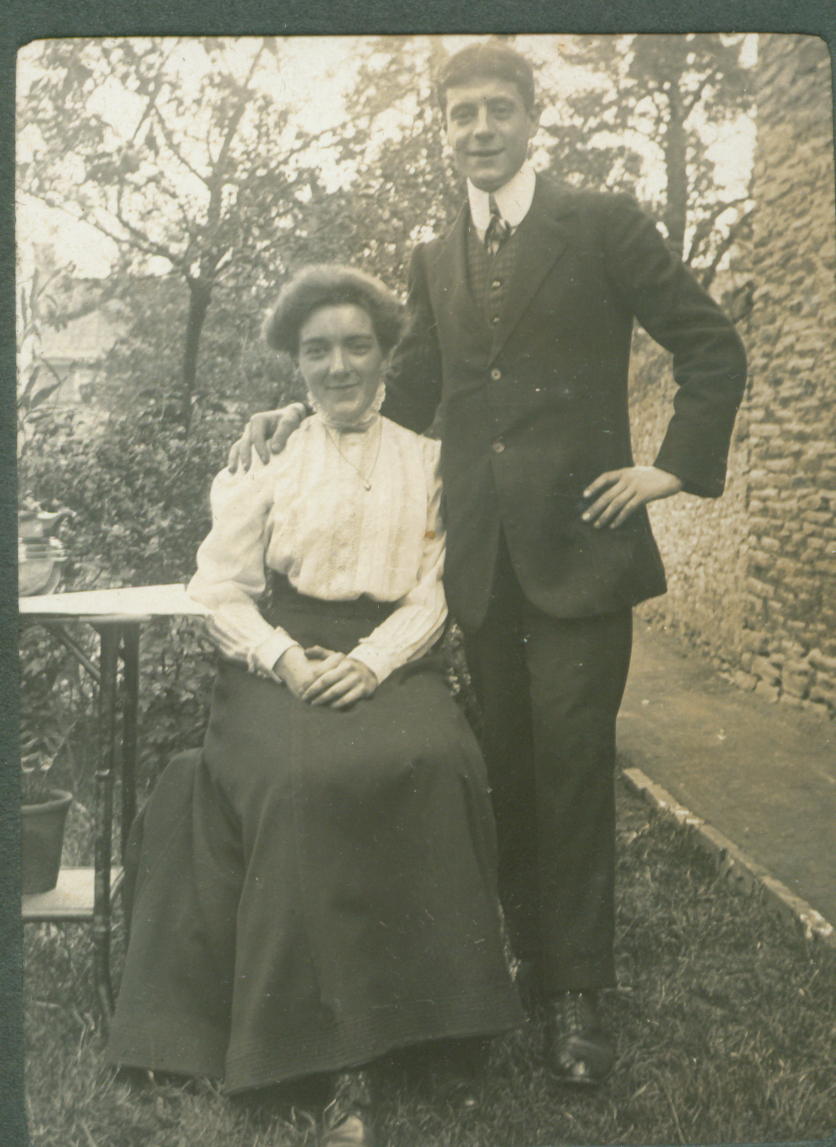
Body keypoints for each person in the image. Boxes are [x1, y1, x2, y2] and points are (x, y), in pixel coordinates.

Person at [227, 42, 748, 1087]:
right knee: (505, 767)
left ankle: (578, 1001)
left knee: (571, 768)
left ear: (529, 117)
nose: (478, 129)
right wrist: (305, 412)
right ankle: (525, 965)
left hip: (581, 552)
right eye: (459, 114)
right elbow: (415, 395)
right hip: (481, 564)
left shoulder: (600, 223)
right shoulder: (435, 257)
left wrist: (669, 469)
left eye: (496, 109)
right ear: (443, 129)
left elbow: (710, 344)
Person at [106, 265, 523, 1147]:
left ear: (386, 354)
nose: (339, 366)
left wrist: (372, 664)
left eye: (357, 346)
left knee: (439, 759)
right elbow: (220, 589)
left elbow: (436, 588)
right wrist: (285, 659)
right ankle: (334, 1062)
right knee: (303, 780)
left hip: (392, 657)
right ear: (295, 362)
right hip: (274, 659)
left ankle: (435, 1027)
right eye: (317, 350)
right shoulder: (266, 457)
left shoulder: (426, 459)